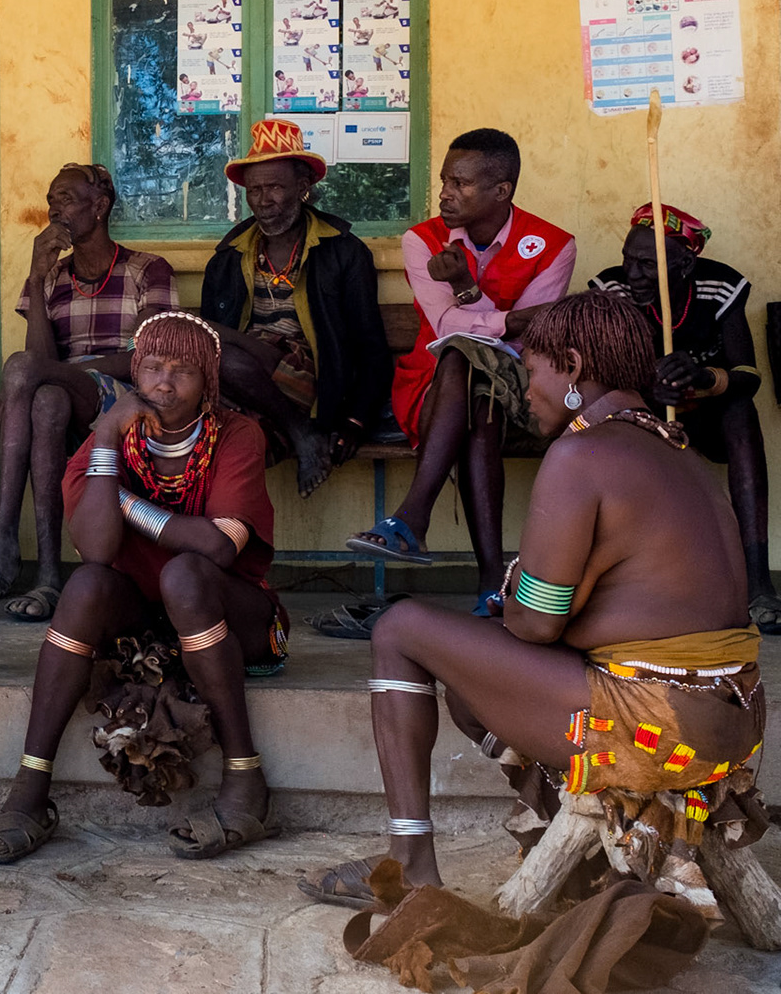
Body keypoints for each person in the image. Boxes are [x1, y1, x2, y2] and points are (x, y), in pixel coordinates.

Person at [303, 291, 766, 907]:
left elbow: (537, 623)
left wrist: (518, 591)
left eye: (531, 371)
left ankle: (410, 862)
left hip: (658, 729)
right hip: (734, 721)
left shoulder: (581, 453)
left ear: (571, 367)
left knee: (399, 627)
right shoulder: (678, 449)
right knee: (469, 679)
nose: (524, 392)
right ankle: (580, 851)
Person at [0, 313, 284, 863]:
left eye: (183, 371)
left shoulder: (237, 435)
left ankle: (246, 777)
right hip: (150, 627)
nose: (165, 383)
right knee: (87, 585)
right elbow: (96, 548)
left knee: (184, 574)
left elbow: (216, 548)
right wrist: (108, 436)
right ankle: (30, 788)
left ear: (208, 381)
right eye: (153, 368)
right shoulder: (109, 440)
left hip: (233, 617)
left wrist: (123, 501)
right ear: (134, 373)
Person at [348, 129, 576, 611]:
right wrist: (506, 318)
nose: (445, 194)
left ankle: (413, 517)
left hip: (519, 392)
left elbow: (527, 342)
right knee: (463, 365)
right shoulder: (421, 240)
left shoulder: (554, 246)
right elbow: (446, 325)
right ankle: (491, 582)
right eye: (444, 180)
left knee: (472, 373)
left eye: (461, 183)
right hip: (428, 388)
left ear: (502, 190)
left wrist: (468, 290)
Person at [0, 163, 174, 622]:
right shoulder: (53, 277)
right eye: (51, 202)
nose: (55, 210)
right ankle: (49, 576)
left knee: (23, 370)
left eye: (67, 200)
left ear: (100, 207)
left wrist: (53, 372)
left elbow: (146, 360)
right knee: (46, 400)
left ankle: (3, 539)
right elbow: (41, 359)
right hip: (63, 395)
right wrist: (36, 279)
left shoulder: (147, 269)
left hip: (126, 399)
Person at [592, 204, 775, 633]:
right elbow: (599, 379)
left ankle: (758, 582)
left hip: (707, 419)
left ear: (686, 265)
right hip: (641, 418)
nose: (632, 273)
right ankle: (635, 583)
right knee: (616, 416)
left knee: (740, 411)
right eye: (628, 259)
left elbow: (747, 375)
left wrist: (704, 378)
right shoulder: (611, 290)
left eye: (647, 264)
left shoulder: (719, 286)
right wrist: (646, 389)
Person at [201, 119, 391, 496]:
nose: (263, 200)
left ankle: (301, 429)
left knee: (222, 356)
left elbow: (370, 347)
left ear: (303, 187)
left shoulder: (343, 252)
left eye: (275, 187)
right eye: (254, 190)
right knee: (225, 441)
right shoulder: (227, 258)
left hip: (312, 385)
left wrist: (355, 420)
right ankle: (296, 432)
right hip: (246, 385)